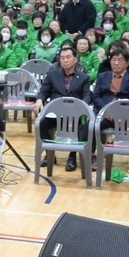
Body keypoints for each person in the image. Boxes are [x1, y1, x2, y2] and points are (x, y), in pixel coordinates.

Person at [34, 44, 92, 172]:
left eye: (68, 57)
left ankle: (72, 156)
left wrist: (82, 107)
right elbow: (44, 91)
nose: (65, 60)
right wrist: (39, 100)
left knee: (82, 124)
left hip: (75, 115)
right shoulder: (52, 75)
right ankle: (49, 154)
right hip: (55, 114)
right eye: (62, 58)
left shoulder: (83, 78)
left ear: (75, 59)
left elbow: (87, 95)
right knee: (42, 122)